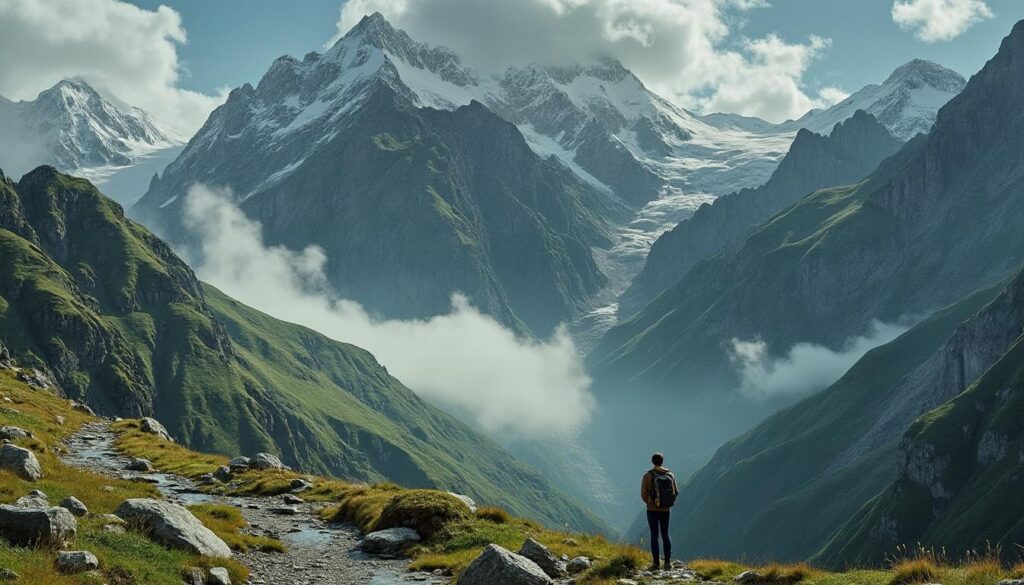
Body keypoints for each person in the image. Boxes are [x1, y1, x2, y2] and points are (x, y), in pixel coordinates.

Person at [641, 452, 678, 571]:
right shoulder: (670, 475)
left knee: (654, 535)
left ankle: (656, 563)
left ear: (652, 462)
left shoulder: (648, 476)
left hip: (652, 510)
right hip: (666, 510)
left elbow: (643, 494)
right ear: (662, 461)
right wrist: (667, 503)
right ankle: (667, 563)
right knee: (665, 534)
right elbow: (675, 492)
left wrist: (651, 503)